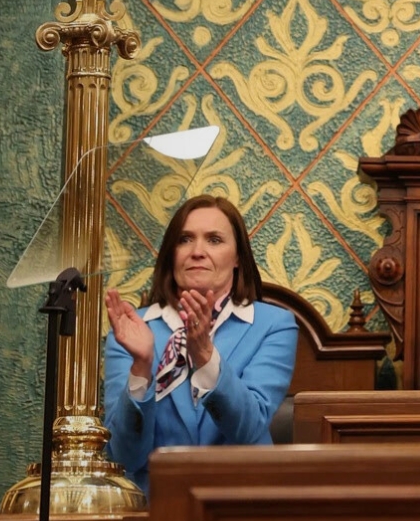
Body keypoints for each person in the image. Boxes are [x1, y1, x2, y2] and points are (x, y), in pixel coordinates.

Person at [103, 195, 298, 493]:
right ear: (172, 254)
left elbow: (248, 432)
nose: (197, 252)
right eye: (185, 239)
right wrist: (141, 366)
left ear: (237, 258)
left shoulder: (273, 325)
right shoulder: (131, 331)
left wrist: (206, 357)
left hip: (242, 503)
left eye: (214, 240)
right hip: (154, 505)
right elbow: (122, 456)